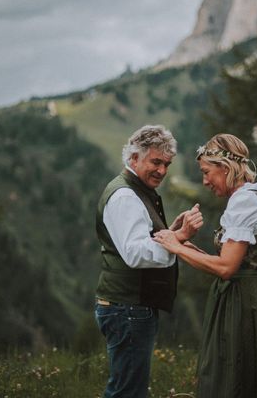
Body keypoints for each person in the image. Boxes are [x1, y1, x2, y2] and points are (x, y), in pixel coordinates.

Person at [153, 133, 257, 398]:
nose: (204, 181)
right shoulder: (243, 200)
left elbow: (226, 268)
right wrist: (187, 246)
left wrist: (176, 247)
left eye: (206, 172)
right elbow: (230, 261)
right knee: (233, 371)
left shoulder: (245, 202)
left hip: (243, 300)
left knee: (236, 373)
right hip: (242, 295)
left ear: (225, 168)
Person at [95, 124, 204, 398]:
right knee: (127, 392)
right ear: (134, 158)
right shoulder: (125, 196)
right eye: (156, 162)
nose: (163, 171)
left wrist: (173, 232)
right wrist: (179, 237)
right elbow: (135, 253)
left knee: (129, 388)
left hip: (129, 306)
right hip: (128, 307)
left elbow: (143, 239)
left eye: (167, 164)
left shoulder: (135, 190)